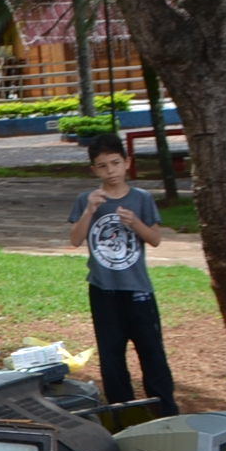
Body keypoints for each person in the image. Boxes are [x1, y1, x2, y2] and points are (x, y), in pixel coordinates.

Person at [69, 132, 177, 416]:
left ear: (127, 163)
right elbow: (75, 239)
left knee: (152, 355)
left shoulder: (141, 198)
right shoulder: (87, 200)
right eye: (102, 166)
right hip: (103, 291)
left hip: (138, 290)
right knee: (112, 359)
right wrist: (89, 210)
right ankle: (123, 417)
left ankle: (166, 414)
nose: (110, 171)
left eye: (115, 163)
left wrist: (136, 223)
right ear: (94, 170)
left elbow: (155, 239)